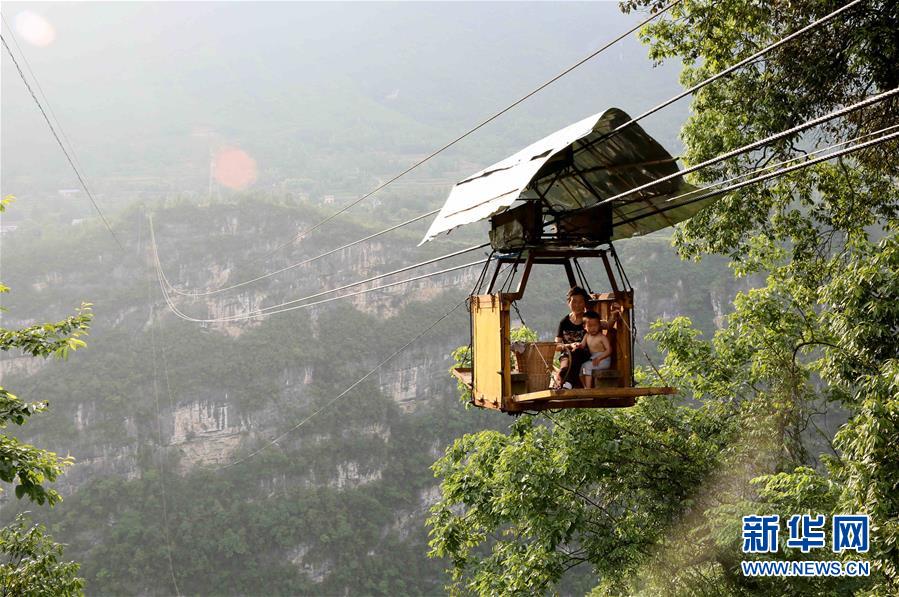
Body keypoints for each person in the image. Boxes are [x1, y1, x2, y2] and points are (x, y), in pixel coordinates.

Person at [554, 286, 591, 389]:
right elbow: (556, 346)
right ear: (568, 303)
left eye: (580, 302)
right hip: (567, 354)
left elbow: (604, 325)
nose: (577, 305)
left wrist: (613, 317)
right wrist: (570, 345)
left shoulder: (588, 320)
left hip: (583, 353)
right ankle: (560, 384)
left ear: (585, 303)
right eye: (574, 302)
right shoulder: (564, 322)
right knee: (564, 369)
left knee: (577, 353)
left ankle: (568, 383)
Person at [576, 311, 612, 388]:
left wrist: (599, 358)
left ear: (599, 325)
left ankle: (588, 389)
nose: (593, 328)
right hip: (593, 359)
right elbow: (582, 345)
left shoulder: (602, 337)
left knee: (587, 366)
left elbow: (609, 350)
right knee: (581, 368)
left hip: (603, 360)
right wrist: (578, 345)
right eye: (589, 326)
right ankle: (585, 386)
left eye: (595, 325)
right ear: (584, 327)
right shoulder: (587, 336)